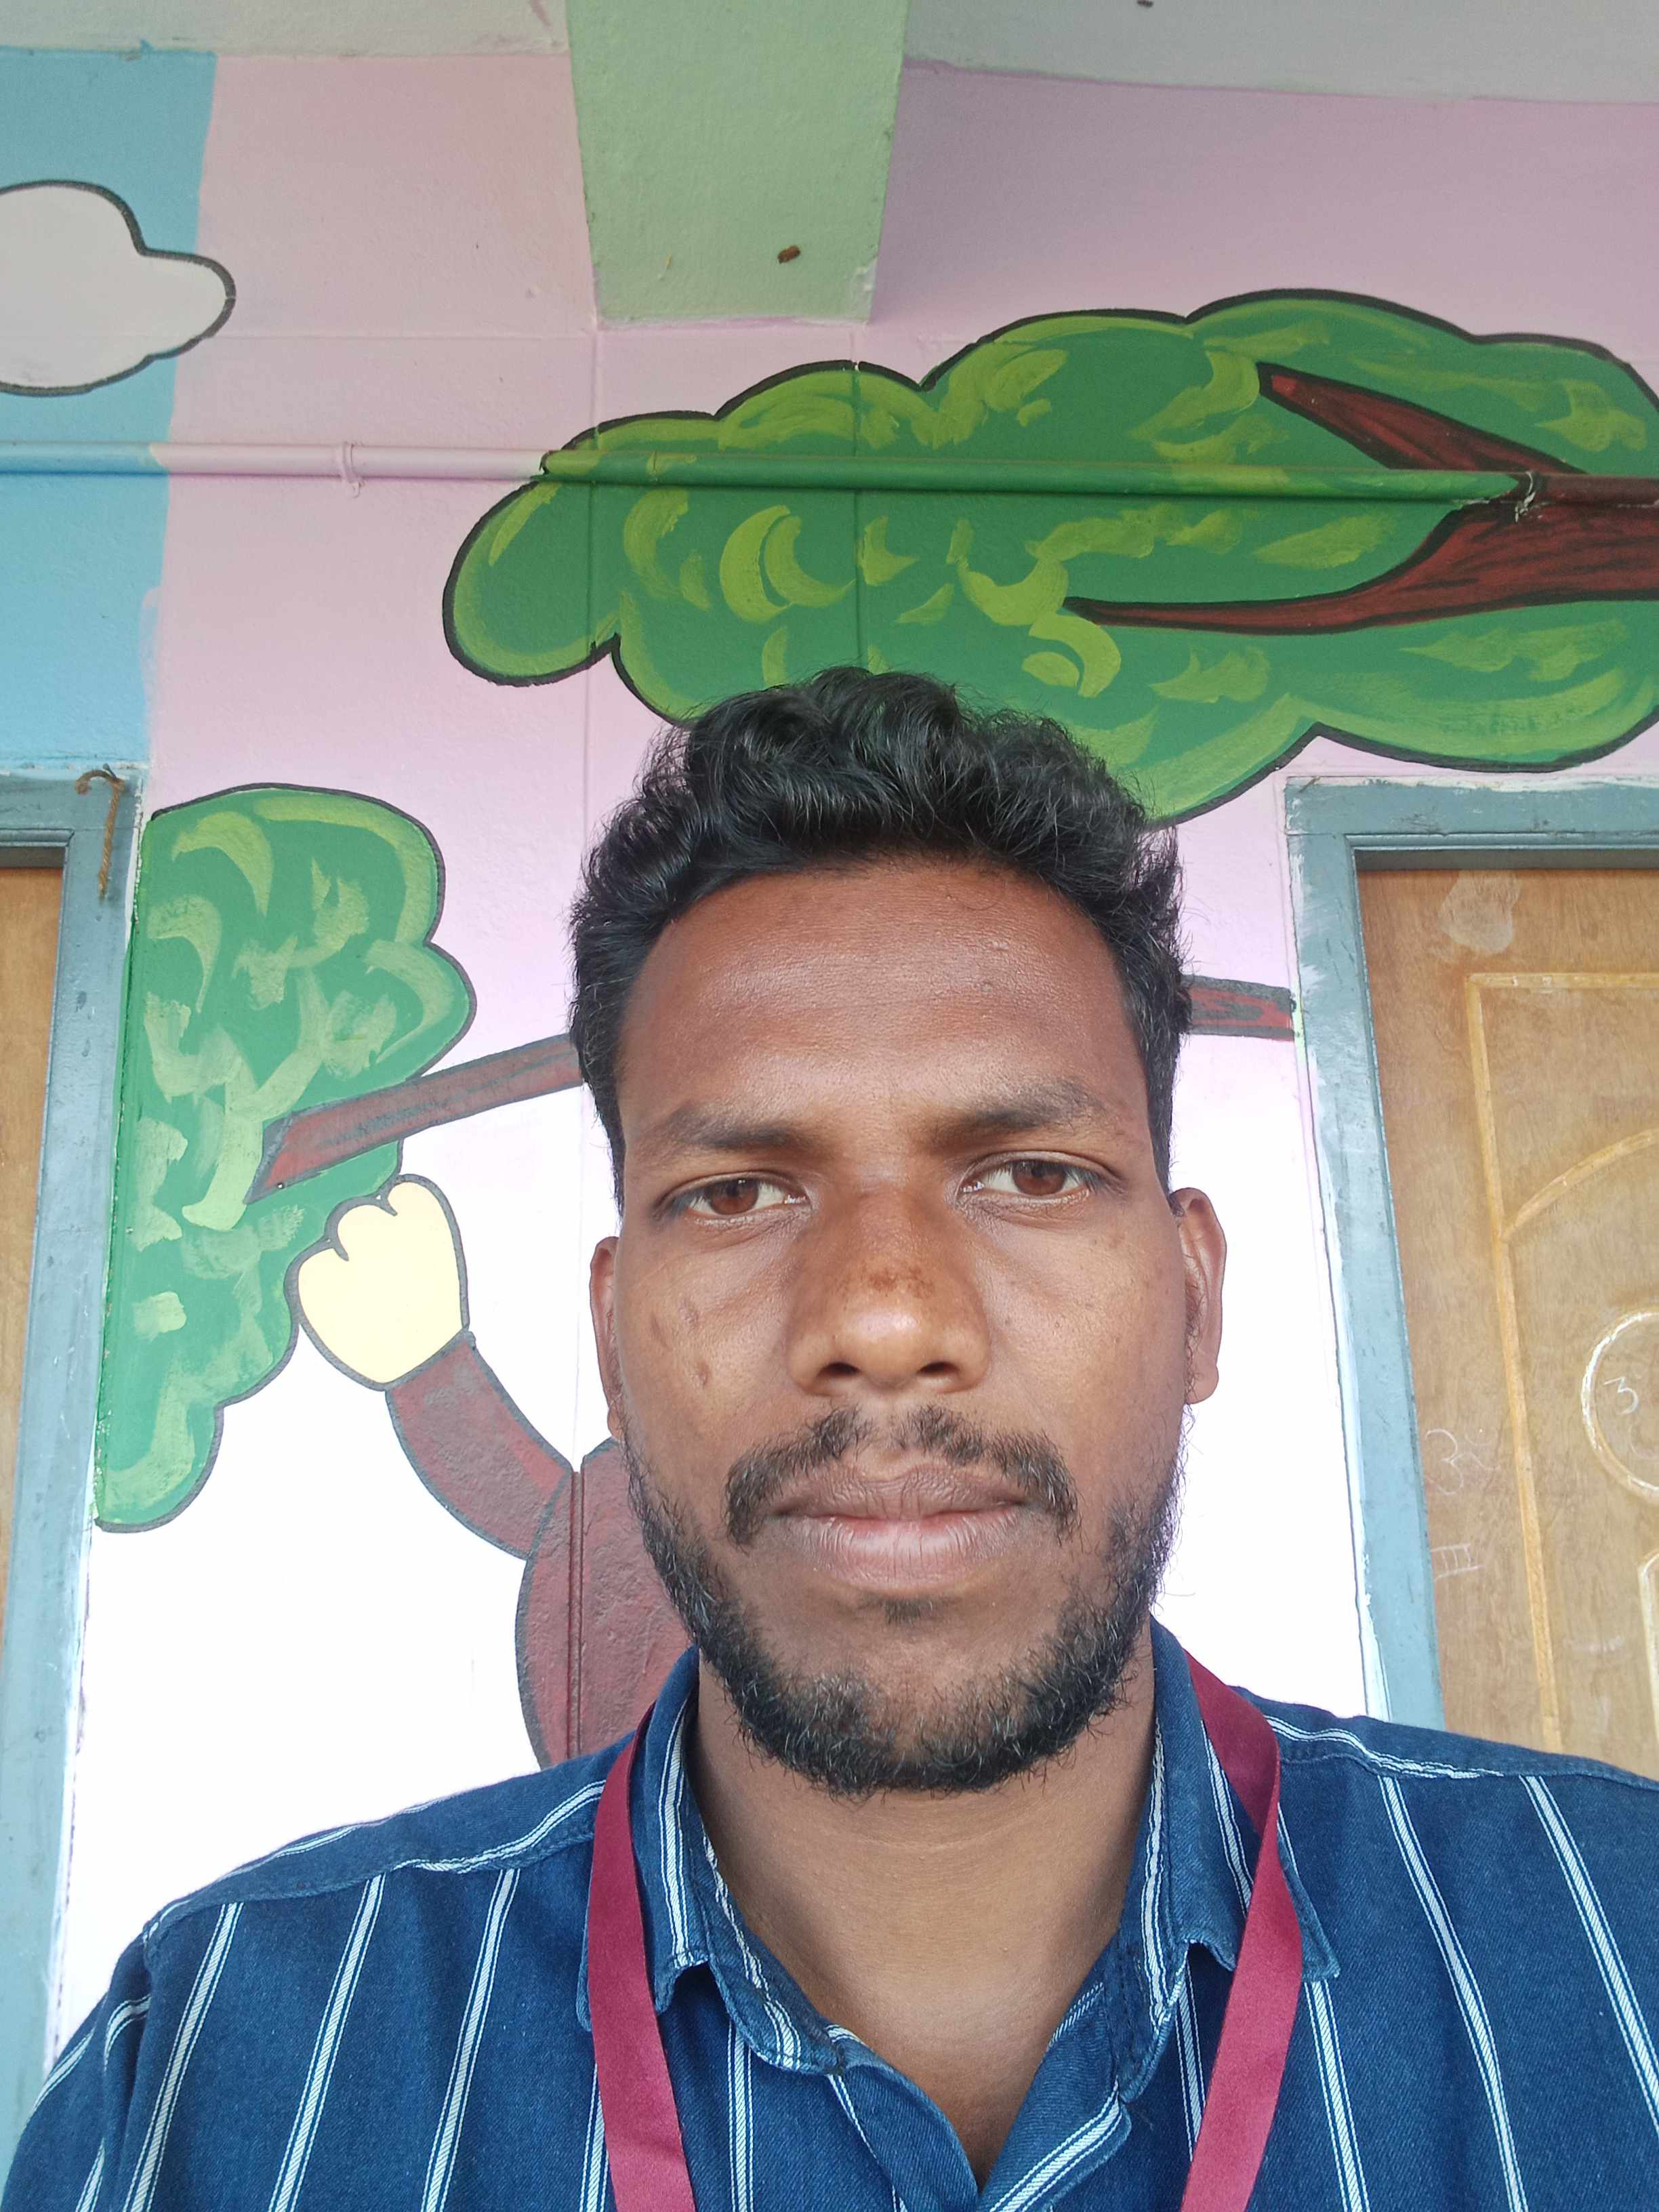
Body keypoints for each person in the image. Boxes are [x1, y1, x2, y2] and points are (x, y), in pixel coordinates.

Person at [7, 669, 1659, 2211]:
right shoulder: (219, 2065)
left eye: (1029, 1174)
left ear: (1195, 1298)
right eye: (738, 1192)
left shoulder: (1621, 1945)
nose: (881, 1312)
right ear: (612, 1339)